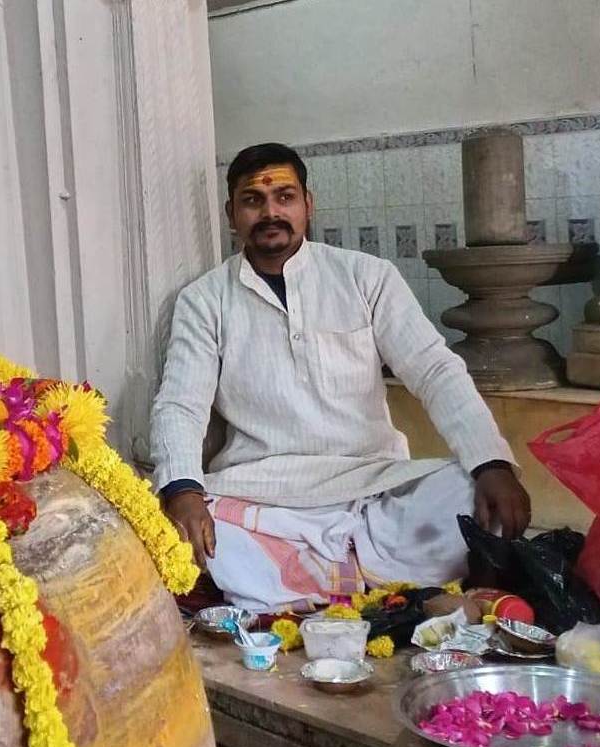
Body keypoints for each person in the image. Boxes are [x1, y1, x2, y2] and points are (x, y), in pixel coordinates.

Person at [150, 142, 531, 613]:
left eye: (284, 197)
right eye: (253, 200)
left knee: (467, 489)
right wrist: (182, 490)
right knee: (186, 519)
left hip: (373, 482)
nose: (271, 212)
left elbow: (434, 369)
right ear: (233, 214)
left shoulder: (366, 276)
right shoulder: (204, 300)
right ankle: (398, 591)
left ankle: (312, 589)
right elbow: (181, 404)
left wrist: (490, 463)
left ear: (308, 205)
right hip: (266, 495)